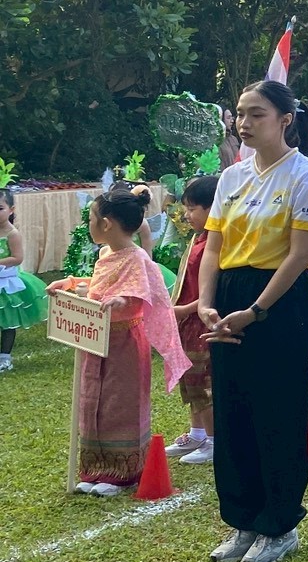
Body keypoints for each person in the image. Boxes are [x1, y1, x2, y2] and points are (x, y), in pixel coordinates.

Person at [199, 81, 308, 562]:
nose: (244, 123)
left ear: (285, 119)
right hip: (229, 296)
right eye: (240, 113)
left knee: (277, 411)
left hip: (278, 302)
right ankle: (243, 520)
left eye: (256, 114)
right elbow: (213, 248)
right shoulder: (231, 177)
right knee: (232, 411)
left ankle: (279, 525)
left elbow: (299, 256)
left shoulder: (306, 177)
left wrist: (256, 311)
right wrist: (207, 304)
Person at [49, 184, 188, 495]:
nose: (89, 225)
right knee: (93, 400)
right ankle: (95, 468)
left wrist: (120, 301)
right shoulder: (105, 254)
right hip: (97, 339)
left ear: (106, 223)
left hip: (124, 342)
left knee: (120, 403)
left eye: (90, 219)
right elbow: (100, 285)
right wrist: (70, 283)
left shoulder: (137, 258)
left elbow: (138, 294)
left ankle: (122, 473)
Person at [164, 176, 220, 464]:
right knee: (190, 380)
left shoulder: (218, 242)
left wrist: (185, 310)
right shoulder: (199, 238)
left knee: (204, 382)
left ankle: (213, 441)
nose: (186, 215)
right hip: (188, 320)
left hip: (201, 319)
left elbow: (216, 289)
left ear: (213, 208)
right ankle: (197, 433)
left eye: (192, 208)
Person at [0, 184, 49, 372]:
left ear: (11, 210)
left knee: (8, 320)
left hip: (6, 282)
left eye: (0, 208)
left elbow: (17, 258)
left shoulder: (12, 233)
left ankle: (5, 357)